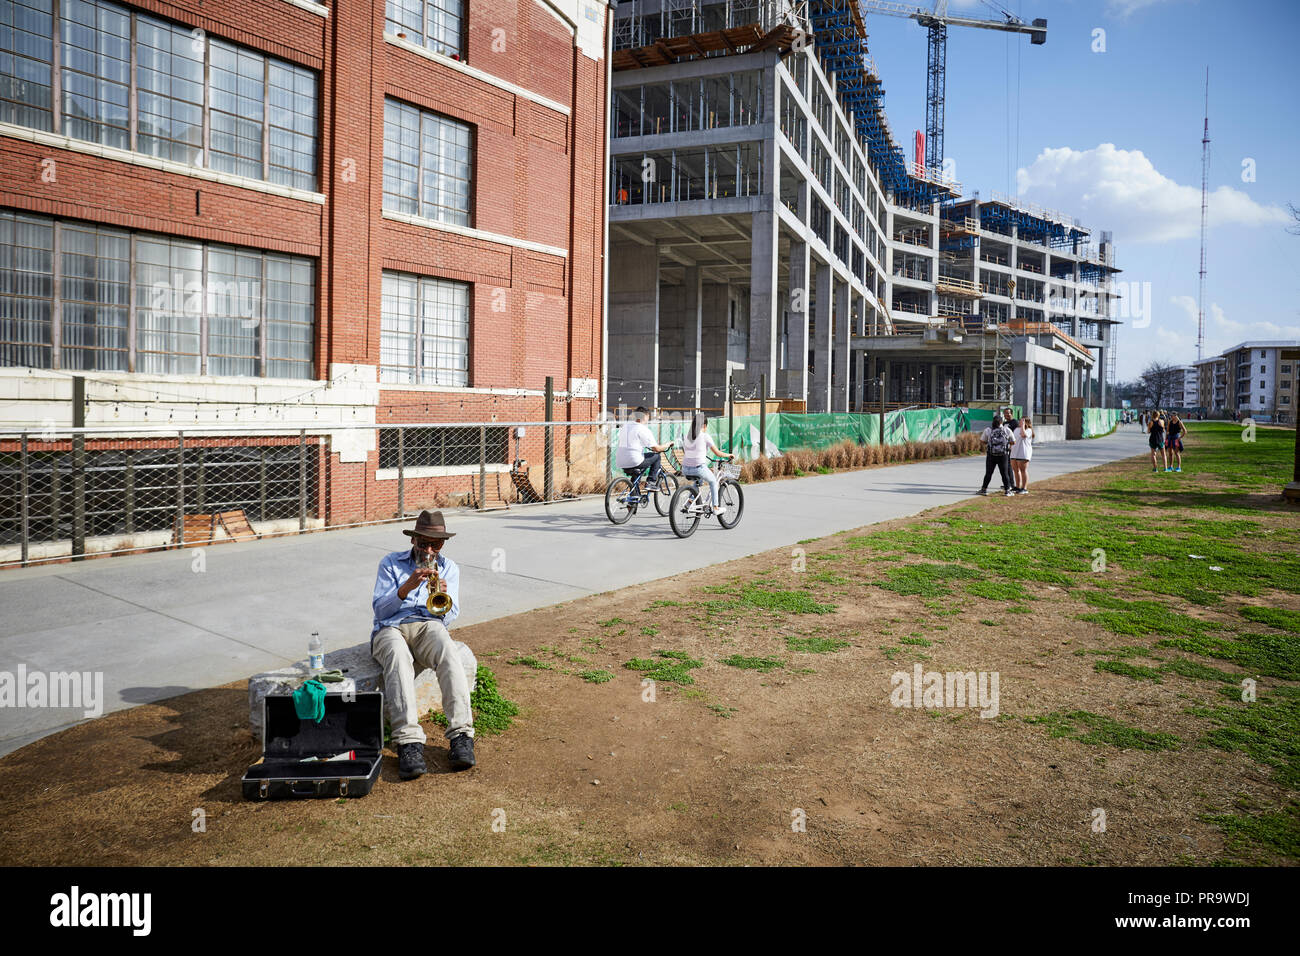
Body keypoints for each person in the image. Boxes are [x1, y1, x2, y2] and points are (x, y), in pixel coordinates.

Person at [370, 510, 474, 780]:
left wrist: (444, 594)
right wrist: (405, 588)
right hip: (390, 627)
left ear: (442, 544)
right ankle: (408, 742)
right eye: (424, 542)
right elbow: (380, 611)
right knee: (397, 657)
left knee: (449, 651)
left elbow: (450, 616)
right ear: (413, 540)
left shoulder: (449, 567)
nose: (429, 550)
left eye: (436, 544)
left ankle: (461, 735)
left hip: (429, 624)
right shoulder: (390, 563)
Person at [681, 413, 736, 516]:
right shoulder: (705, 436)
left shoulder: (688, 437)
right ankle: (715, 507)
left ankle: (689, 502)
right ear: (704, 425)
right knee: (713, 481)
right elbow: (717, 453)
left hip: (685, 469)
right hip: (698, 468)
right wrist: (729, 455)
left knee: (698, 481)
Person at [615, 406, 674, 496]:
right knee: (656, 456)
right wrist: (668, 444)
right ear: (645, 416)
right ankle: (651, 482)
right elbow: (657, 449)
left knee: (637, 474)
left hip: (620, 461)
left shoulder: (625, 426)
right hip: (634, 460)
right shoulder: (642, 429)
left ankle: (633, 501)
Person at [976, 412, 1015, 496]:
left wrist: (990, 443)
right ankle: (1007, 490)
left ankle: (984, 489)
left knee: (989, 473)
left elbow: (982, 441)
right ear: (1001, 422)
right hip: (1003, 455)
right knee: (1004, 473)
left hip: (991, 455)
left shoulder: (988, 430)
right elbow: (1013, 441)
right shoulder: (1006, 430)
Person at [1010, 416, 1034, 494]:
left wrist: (1023, 426)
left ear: (1025, 422)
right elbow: (1013, 439)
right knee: (1015, 470)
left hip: (1023, 453)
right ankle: (1017, 487)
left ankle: (1024, 488)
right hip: (1014, 452)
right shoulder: (1016, 429)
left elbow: (1023, 435)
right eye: (1020, 421)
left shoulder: (1029, 430)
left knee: (1023, 470)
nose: (1020, 422)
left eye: (1022, 421)